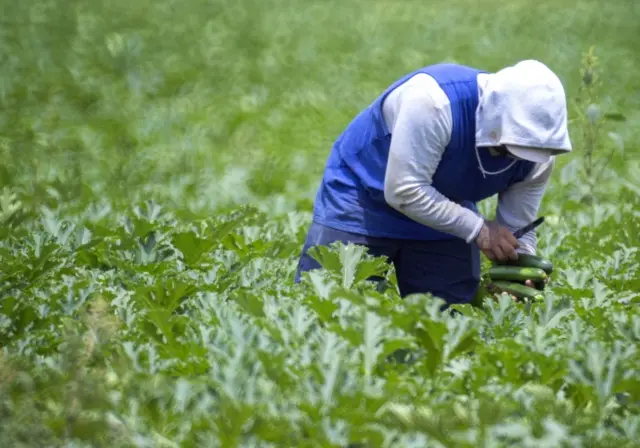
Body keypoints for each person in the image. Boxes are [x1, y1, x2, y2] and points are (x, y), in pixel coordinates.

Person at [294, 60, 572, 306]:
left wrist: (518, 268)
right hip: (363, 199)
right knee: (333, 307)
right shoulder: (434, 103)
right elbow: (405, 190)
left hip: (443, 214)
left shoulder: (539, 155)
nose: (519, 157)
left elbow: (517, 228)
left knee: (449, 326)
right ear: (493, 118)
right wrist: (480, 230)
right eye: (510, 147)